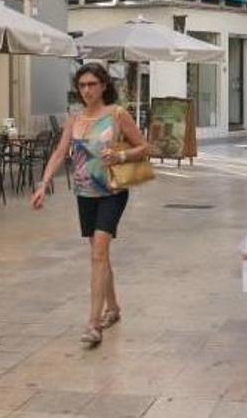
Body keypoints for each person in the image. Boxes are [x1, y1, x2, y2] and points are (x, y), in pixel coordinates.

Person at [31, 62, 149, 346]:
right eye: (82, 85)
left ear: (104, 86)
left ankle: (93, 324)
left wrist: (120, 157)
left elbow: (144, 147)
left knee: (98, 252)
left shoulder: (117, 114)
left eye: (92, 84)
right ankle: (114, 308)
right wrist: (43, 184)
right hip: (84, 193)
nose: (87, 90)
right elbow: (60, 153)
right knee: (100, 255)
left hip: (112, 191)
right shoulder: (74, 119)